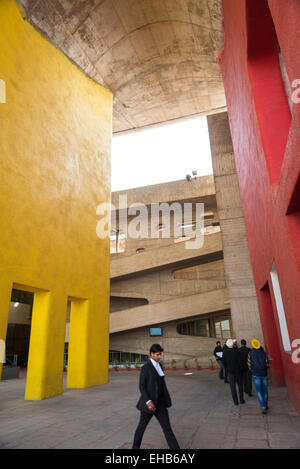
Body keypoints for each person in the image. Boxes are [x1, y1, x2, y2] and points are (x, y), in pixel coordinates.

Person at [132, 344, 180, 449]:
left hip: (160, 403)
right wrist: (148, 401)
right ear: (152, 354)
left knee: (167, 428)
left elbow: (161, 384)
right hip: (149, 404)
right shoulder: (146, 368)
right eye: (157, 355)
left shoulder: (160, 366)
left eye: (160, 355)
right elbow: (142, 386)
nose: (159, 357)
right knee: (141, 428)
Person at [248, 339, 269, 414]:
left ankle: (263, 406)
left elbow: (249, 364)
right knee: (265, 390)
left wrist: (252, 371)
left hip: (255, 374)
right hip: (263, 373)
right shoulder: (264, 353)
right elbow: (267, 364)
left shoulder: (250, 353)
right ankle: (266, 404)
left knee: (259, 391)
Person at [223, 339, 245, 406]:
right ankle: (241, 400)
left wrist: (228, 368)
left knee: (232, 387)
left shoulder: (225, 352)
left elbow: (224, 363)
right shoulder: (237, 351)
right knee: (240, 385)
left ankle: (236, 402)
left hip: (230, 371)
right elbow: (240, 361)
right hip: (237, 371)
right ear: (233, 344)